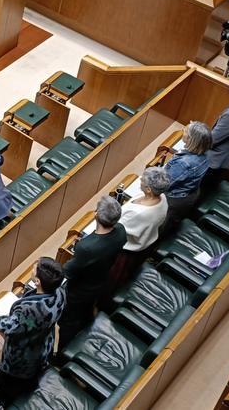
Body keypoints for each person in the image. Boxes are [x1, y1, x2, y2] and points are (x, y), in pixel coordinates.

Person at [0, 258, 66, 405]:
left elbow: (9, 326)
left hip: (20, 358)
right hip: (43, 345)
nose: (31, 270)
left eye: (33, 269)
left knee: (5, 386)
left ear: (37, 281)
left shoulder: (30, 310)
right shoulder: (60, 292)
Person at [58, 196, 126, 348]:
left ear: (96, 214)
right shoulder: (121, 230)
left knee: (69, 323)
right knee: (87, 311)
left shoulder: (86, 247)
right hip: (101, 280)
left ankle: (62, 353)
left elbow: (69, 271)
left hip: (79, 290)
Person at [107, 166, 169, 296]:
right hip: (144, 243)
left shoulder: (139, 213)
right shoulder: (162, 197)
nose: (140, 179)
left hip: (125, 251)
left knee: (111, 281)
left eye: (143, 181)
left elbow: (115, 227)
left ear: (149, 189)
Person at [161, 121, 211, 230]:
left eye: (186, 131)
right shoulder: (206, 154)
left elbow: (165, 184)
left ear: (191, 139)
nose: (183, 131)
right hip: (189, 193)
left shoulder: (184, 163)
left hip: (173, 200)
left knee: (162, 226)